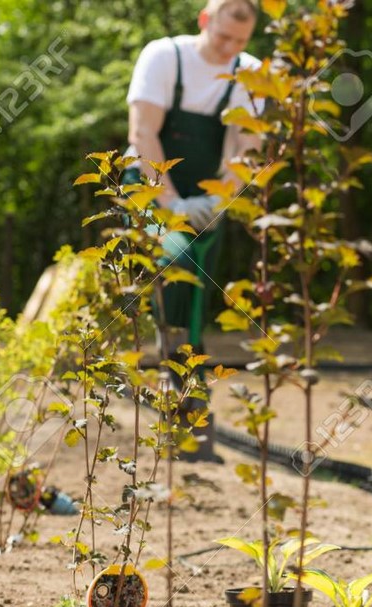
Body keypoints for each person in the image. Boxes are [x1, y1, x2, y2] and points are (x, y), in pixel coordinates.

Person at [125, 0, 261, 353]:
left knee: (201, 284)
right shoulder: (165, 57)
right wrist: (172, 204)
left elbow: (247, 149)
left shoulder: (250, 73)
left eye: (240, 42)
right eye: (223, 38)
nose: (230, 49)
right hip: (147, 182)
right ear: (204, 20)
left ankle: (191, 386)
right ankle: (169, 354)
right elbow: (143, 135)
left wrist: (220, 200)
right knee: (176, 260)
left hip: (205, 194)